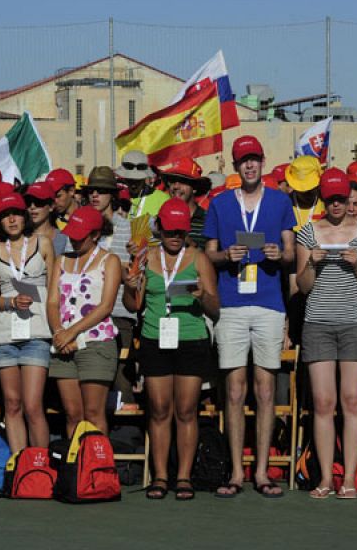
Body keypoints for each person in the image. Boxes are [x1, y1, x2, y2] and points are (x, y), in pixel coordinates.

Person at [204, 135, 296, 498]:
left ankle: (261, 472)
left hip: (270, 302)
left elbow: (291, 253)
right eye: (243, 160)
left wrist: (278, 253)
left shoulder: (279, 200)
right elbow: (207, 255)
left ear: (262, 161)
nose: (250, 165)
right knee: (234, 390)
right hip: (231, 304)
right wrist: (227, 255)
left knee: (265, 389)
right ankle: (236, 473)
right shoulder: (221, 203)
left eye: (255, 159)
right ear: (236, 165)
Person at [123, 198, 219, 500]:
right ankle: (161, 476)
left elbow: (216, 309)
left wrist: (202, 295)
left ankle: (184, 477)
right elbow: (132, 306)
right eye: (169, 232)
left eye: (180, 232)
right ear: (160, 230)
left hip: (191, 339)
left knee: (186, 410)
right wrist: (129, 285)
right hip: (155, 338)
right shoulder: (146, 256)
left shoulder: (199, 258)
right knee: (160, 410)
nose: (174, 237)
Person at [295, 168, 357, 499]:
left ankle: (349, 479)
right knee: (323, 402)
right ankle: (326, 478)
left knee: (353, 402)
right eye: (330, 200)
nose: (336, 205)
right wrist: (311, 263)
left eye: (341, 199)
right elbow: (303, 287)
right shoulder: (308, 232)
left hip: (355, 322)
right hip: (318, 323)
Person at [46, 205, 122, 436]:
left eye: (81, 237)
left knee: (93, 412)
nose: (75, 241)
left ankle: (97, 468)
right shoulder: (61, 260)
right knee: (72, 412)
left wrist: (72, 331)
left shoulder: (109, 261)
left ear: (95, 235)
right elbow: (52, 302)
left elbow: (106, 306)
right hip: (63, 344)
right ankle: (75, 466)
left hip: (96, 342)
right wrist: (59, 331)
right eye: (72, 236)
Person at [0, 193, 54, 453]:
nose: (12, 219)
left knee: (33, 405)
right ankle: (19, 466)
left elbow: (54, 292)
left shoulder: (44, 243)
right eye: (5, 215)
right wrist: (9, 301)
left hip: (37, 332)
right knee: (12, 404)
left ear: (24, 216)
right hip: (4, 334)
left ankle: (41, 465)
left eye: (16, 213)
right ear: (0, 221)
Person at [83, 166, 136, 355]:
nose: (95, 195)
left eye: (102, 190)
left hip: (119, 315)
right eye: (91, 191)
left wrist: (136, 256)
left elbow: (136, 274)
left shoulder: (129, 229)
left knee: (121, 380)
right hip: (84, 313)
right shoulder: (80, 226)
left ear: (112, 195)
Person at [160, 158, 212, 249]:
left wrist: (190, 243)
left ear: (195, 187)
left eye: (182, 181)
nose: (176, 186)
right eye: (172, 181)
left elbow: (212, 258)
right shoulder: (160, 218)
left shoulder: (208, 220)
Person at [115, 150, 169, 220]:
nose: (133, 185)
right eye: (130, 180)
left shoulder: (163, 199)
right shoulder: (118, 198)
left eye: (137, 180)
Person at [23, 180, 68, 255]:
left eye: (38, 202)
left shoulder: (64, 239)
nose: (32, 206)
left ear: (51, 206)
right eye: (28, 202)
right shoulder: (19, 237)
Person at [286, 156, 325, 231]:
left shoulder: (326, 202)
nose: (307, 193)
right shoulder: (286, 205)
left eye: (311, 189)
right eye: (302, 190)